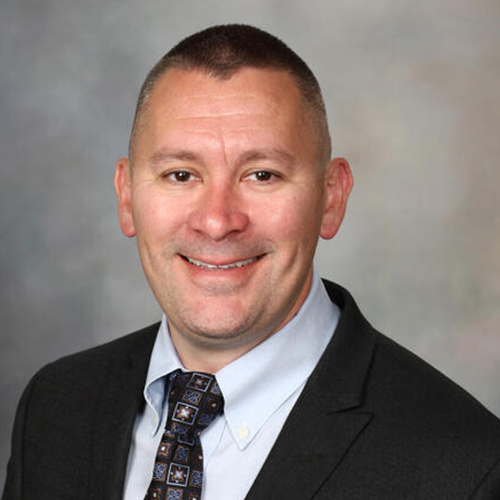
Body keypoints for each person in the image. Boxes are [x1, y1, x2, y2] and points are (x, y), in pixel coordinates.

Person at [3, 24, 500, 500]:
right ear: (127, 196)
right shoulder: (56, 407)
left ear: (331, 197)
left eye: (262, 175)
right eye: (181, 175)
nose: (217, 221)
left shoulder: (465, 467)